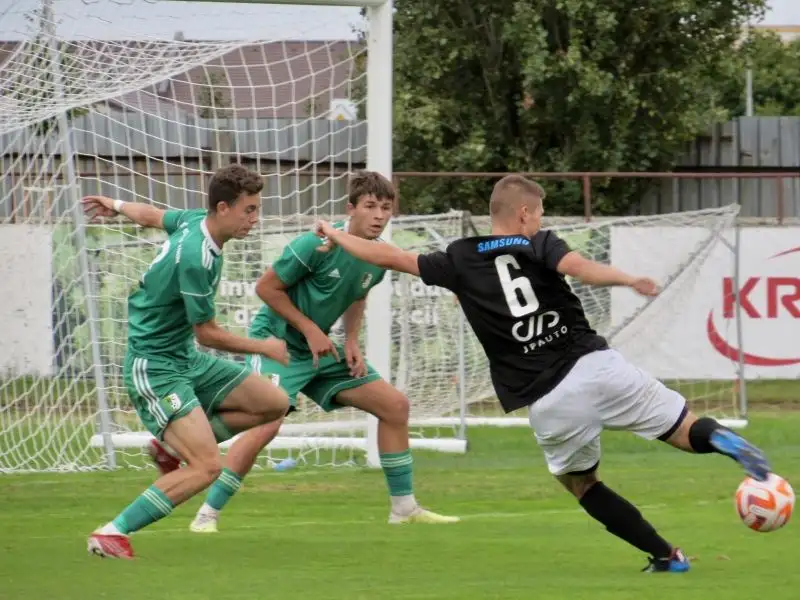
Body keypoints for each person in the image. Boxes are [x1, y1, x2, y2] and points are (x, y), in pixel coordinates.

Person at [311, 174, 772, 573]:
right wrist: (627, 279)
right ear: (525, 213)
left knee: (580, 483)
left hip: (550, 397)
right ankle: (722, 441)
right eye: (542, 213)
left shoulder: (458, 258)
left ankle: (667, 556)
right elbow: (581, 270)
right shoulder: (538, 243)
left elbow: (388, 256)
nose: (542, 220)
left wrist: (335, 233)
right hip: (599, 365)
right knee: (685, 429)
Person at [186, 170, 459, 532]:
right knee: (269, 422)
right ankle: (207, 513)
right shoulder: (314, 244)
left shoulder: (377, 258)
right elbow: (267, 289)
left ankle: (404, 508)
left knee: (395, 406)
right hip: (279, 343)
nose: (379, 215)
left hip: (323, 350)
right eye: (370, 206)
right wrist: (311, 329)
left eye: (386, 208)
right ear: (351, 208)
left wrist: (350, 341)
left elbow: (357, 294)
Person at [82, 164, 290, 559]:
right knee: (207, 467)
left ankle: (173, 448)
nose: (255, 218)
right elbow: (207, 333)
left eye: (257, 209)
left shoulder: (197, 221)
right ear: (224, 208)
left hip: (184, 358)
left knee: (274, 404)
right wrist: (263, 347)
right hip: (155, 366)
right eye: (249, 209)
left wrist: (116, 203)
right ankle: (112, 532)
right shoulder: (196, 258)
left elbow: (155, 216)